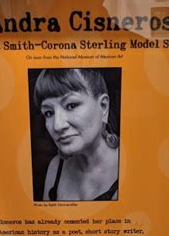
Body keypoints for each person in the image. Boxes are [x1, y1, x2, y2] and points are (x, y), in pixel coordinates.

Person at [33, 68, 119, 201]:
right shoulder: (55, 167)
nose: (57, 125)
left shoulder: (133, 168)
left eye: (71, 105)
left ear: (103, 106)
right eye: (49, 113)